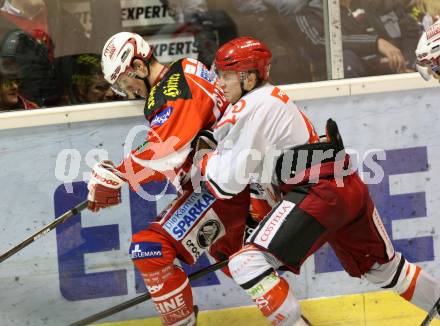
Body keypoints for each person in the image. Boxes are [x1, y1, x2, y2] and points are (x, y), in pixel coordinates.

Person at [199, 36, 440, 325]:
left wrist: (202, 157)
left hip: (319, 192)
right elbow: (265, 175)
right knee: (383, 269)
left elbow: (225, 183)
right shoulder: (268, 101)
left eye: (226, 76)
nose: (220, 84)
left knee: (245, 263)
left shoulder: (250, 107)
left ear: (248, 78)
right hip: (343, 185)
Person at [86, 32, 250, 326]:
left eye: (126, 83)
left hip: (224, 190)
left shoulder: (173, 89)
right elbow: (175, 143)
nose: (131, 92)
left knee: (149, 248)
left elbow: (167, 152)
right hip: (231, 182)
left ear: (138, 66)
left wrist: (118, 176)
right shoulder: (185, 68)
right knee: (243, 264)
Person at [295, 0, 420, 79]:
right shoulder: (310, 13)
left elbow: (408, 27)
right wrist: (376, 43)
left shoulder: (378, 4)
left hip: (399, 78)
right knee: (345, 58)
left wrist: (410, 64)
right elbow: (319, 41)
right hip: (356, 90)